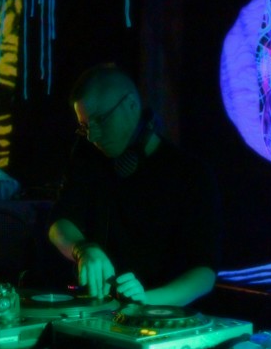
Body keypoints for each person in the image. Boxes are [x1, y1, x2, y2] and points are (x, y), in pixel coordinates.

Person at [48, 64, 220, 307]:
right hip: (102, 312)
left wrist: (145, 302)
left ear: (131, 105)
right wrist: (83, 249)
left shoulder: (191, 175)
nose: (92, 136)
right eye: (85, 126)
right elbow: (60, 223)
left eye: (100, 120)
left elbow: (203, 274)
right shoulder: (88, 157)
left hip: (161, 316)